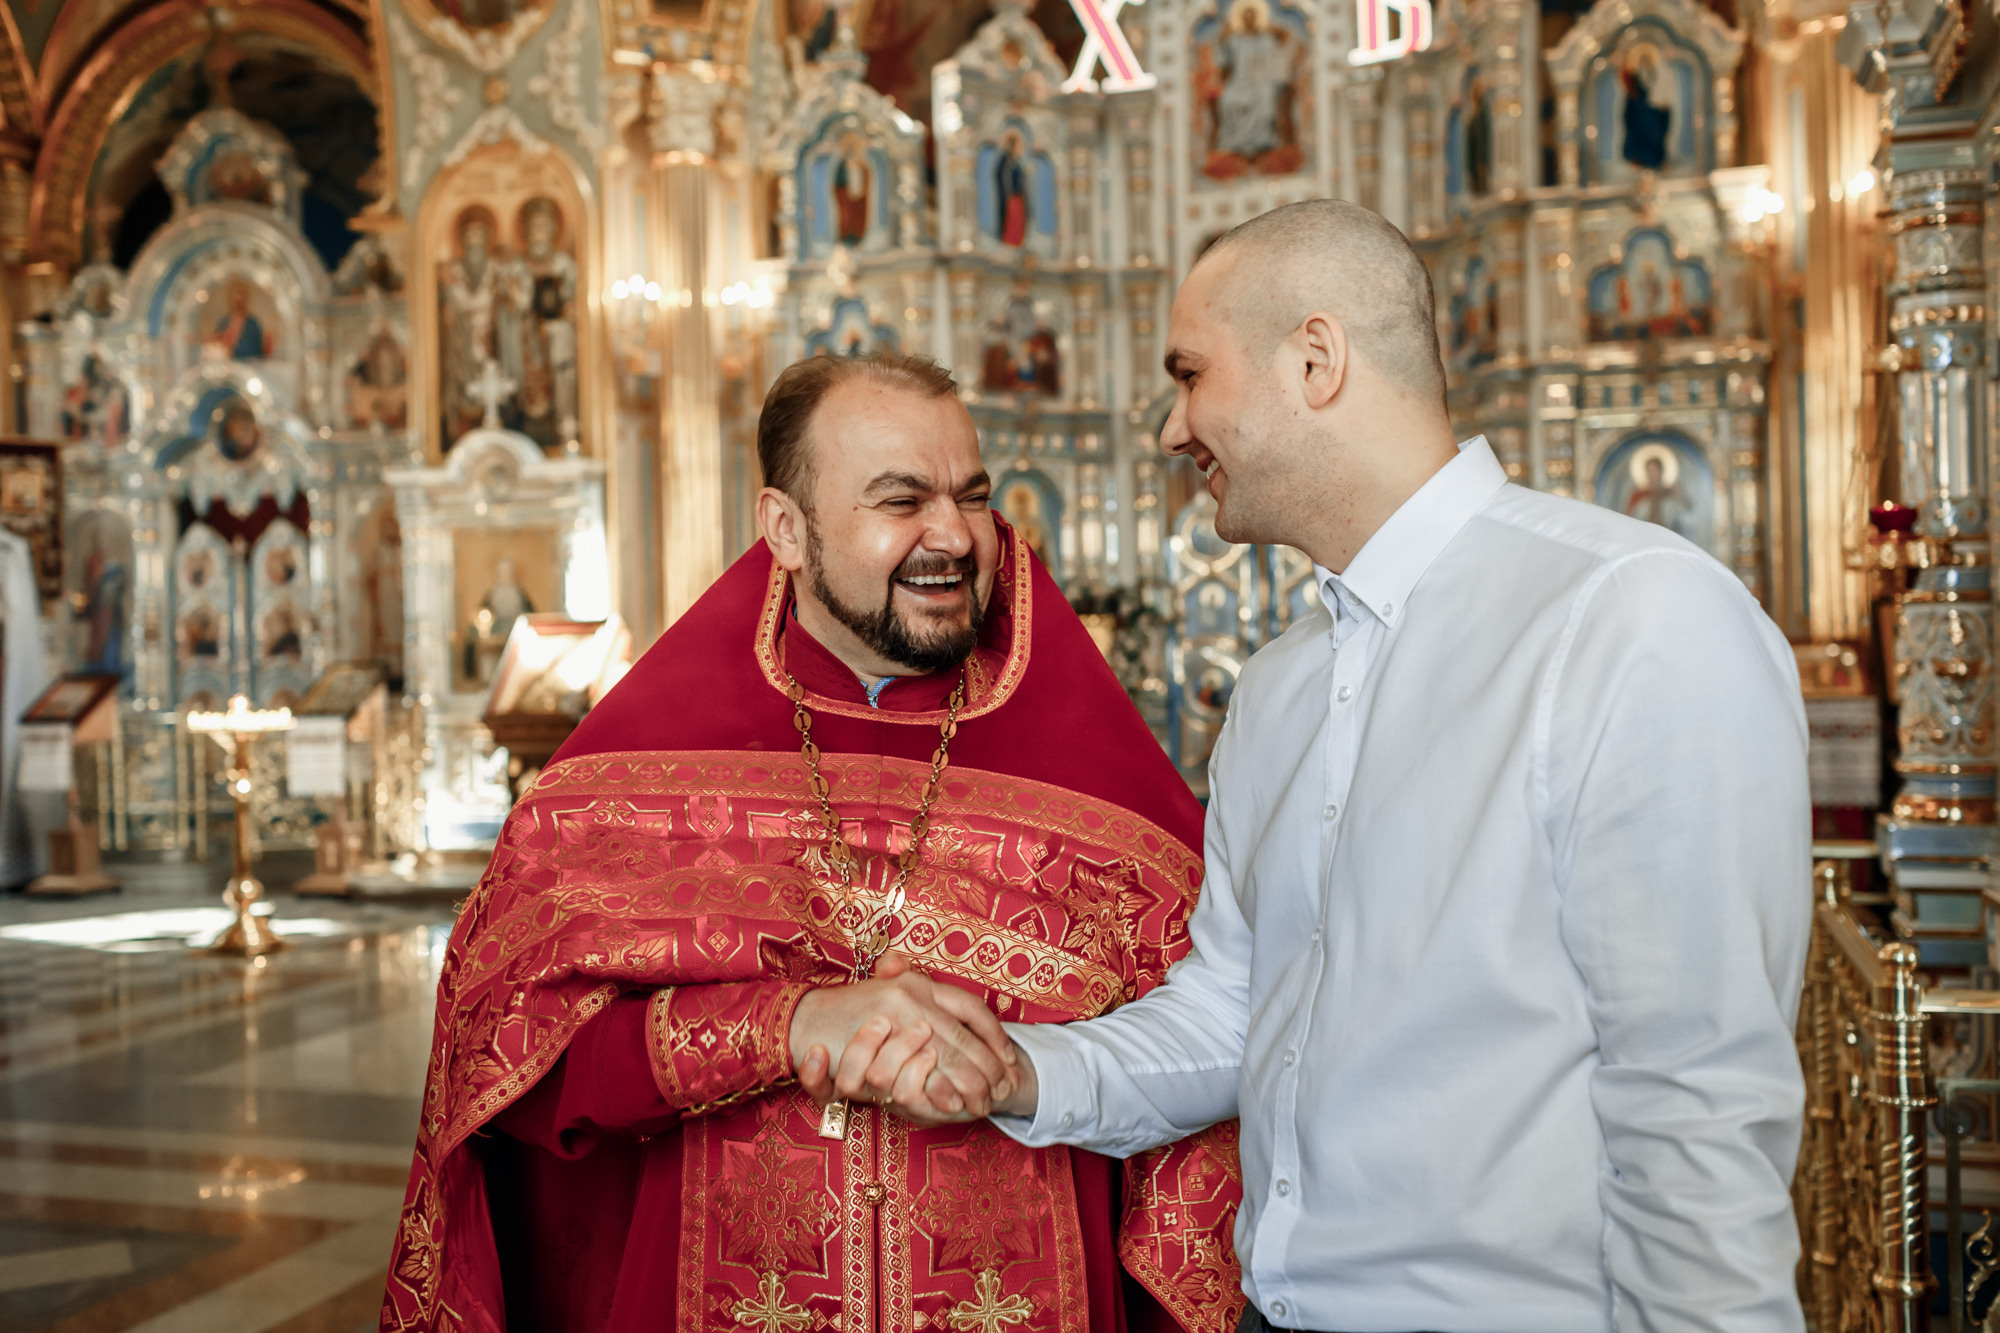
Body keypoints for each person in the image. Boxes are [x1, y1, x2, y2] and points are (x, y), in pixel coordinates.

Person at [822, 200, 1812, 1331]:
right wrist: (1017, 1072)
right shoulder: (1282, 685)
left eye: (1190, 375)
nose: (1171, 428)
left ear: (1315, 360)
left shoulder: (1628, 619)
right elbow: (1229, 1016)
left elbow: (1694, 1105)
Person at [381, 352, 1244, 1332]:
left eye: (971, 497)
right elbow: (519, 1071)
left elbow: (1211, 1054)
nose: (955, 536)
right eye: (901, 500)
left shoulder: (1098, 777)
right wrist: (784, 1027)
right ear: (785, 529)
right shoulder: (629, 775)